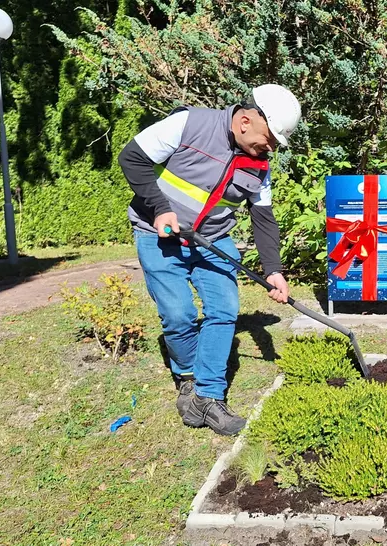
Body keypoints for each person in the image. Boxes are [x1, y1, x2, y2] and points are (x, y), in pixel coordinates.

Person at [118, 84, 301, 435]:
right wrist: (160, 208)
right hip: (158, 235)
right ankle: (187, 376)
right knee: (178, 316)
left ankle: (208, 396)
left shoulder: (260, 166)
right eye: (269, 139)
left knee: (223, 310)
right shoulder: (188, 124)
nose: (271, 148)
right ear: (245, 121)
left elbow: (263, 218)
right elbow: (132, 157)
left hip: (213, 239)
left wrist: (274, 271)